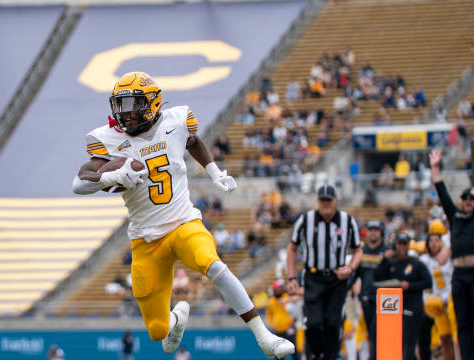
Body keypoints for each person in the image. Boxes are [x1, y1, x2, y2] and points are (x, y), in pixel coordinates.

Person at [72, 72, 294, 357]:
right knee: (157, 331)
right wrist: (113, 175)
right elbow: (79, 183)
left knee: (212, 264)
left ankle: (264, 337)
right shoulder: (110, 140)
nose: (126, 114)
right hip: (146, 240)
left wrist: (214, 172)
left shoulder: (175, 122)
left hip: (183, 222)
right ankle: (176, 321)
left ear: (152, 102)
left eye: (133, 104)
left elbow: (194, 142)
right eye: (122, 105)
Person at [286, 184, 363, 360]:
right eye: (323, 200)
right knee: (313, 323)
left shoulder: (347, 221)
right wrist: (291, 277)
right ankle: (315, 354)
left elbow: (358, 250)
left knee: (333, 324)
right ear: (318, 201)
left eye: (329, 200)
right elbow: (292, 249)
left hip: (337, 279)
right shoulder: (306, 220)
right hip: (314, 277)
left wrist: (350, 268)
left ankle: (329, 357)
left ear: (335, 201)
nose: (326, 203)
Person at [430, 148, 474, 359]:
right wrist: (435, 168)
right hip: (459, 276)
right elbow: (443, 193)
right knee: (462, 322)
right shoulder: (456, 217)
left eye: (471, 199)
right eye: (465, 198)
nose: (468, 201)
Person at [374, 233, 432, 360]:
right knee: (395, 345)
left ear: (408, 246)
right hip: (393, 310)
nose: (401, 247)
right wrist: (384, 259)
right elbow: (377, 277)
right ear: (396, 245)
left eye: (404, 244)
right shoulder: (391, 263)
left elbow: (428, 282)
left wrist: (409, 285)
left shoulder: (416, 263)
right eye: (399, 244)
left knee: (408, 344)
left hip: (412, 308)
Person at [354, 220, 391, 360]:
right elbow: (354, 274)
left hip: (385, 299)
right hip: (366, 299)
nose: (373, 232)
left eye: (376, 229)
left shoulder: (387, 250)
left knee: (380, 334)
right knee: (371, 334)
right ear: (367, 232)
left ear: (380, 232)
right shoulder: (361, 252)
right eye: (371, 229)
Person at [418, 233, 455, 360]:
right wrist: (427, 298)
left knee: (456, 336)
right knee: (444, 337)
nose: (434, 243)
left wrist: (447, 295)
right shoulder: (424, 260)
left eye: (437, 240)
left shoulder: (448, 258)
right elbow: (423, 283)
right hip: (434, 303)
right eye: (431, 240)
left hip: (450, 298)